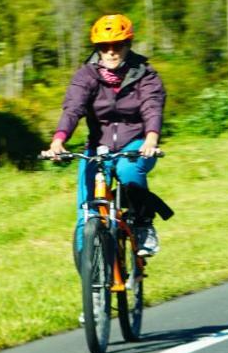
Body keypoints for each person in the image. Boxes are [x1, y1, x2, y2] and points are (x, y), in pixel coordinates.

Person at [42, 13, 167, 258]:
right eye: (104, 46)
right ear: (97, 48)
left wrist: (151, 139)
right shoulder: (86, 75)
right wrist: (58, 141)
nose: (111, 52)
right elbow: (73, 108)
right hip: (98, 147)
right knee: (86, 208)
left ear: (128, 44)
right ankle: (88, 265)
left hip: (136, 143)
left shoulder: (145, 74)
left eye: (117, 45)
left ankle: (142, 226)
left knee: (128, 171)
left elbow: (153, 106)